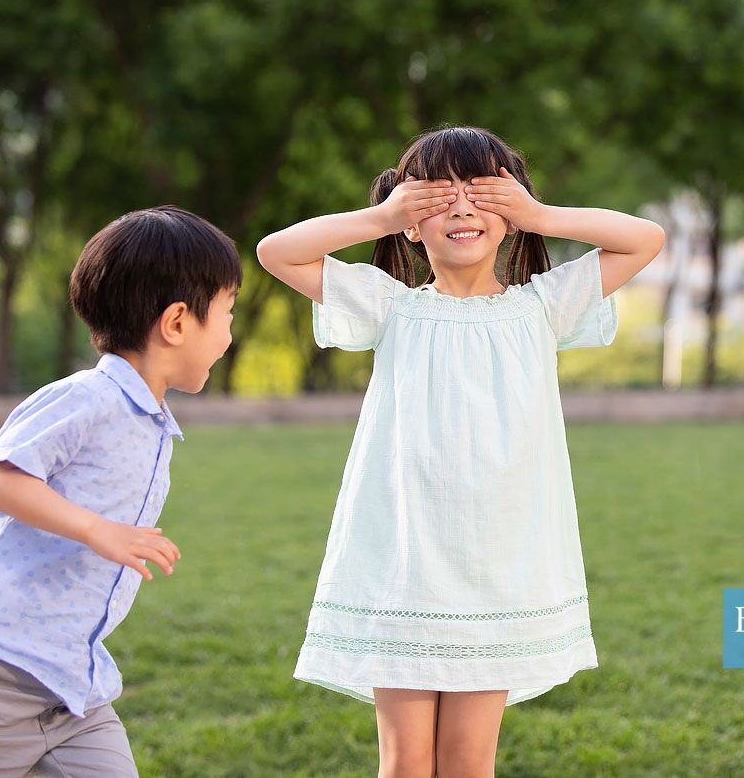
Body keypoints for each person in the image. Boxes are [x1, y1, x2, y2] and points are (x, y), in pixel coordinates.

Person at [257, 125, 665, 776]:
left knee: (469, 764)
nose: (462, 209)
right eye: (437, 196)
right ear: (412, 223)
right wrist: (383, 214)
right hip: (404, 569)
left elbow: (645, 237)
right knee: (405, 764)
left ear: (508, 214)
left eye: (481, 192)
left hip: (494, 574)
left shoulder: (544, 306)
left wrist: (537, 213)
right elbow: (276, 251)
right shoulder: (388, 305)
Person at [0, 207, 241, 777]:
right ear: (176, 322)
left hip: (73, 689)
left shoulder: (149, 420)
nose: (230, 334)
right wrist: (97, 529)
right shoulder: (87, 397)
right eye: (227, 314)